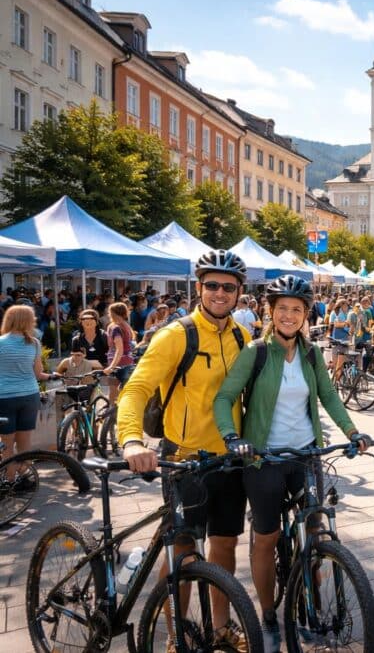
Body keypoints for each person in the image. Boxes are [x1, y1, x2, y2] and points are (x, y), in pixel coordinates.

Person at [212, 275, 374, 650]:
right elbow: (224, 398)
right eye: (282, 308)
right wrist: (232, 437)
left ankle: (308, 605)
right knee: (266, 539)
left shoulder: (312, 354)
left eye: (296, 309)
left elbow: (329, 397)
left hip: (305, 455)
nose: (289, 315)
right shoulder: (255, 352)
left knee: (315, 534)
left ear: (306, 314)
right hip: (264, 459)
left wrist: (352, 431)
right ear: (271, 311)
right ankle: (268, 617)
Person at [116, 250, 251, 648]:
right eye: (212, 285)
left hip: (228, 460)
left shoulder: (243, 337)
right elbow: (136, 389)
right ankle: (177, 636)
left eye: (228, 287)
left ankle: (221, 627)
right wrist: (131, 440)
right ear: (199, 287)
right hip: (184, 460)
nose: (220, 293)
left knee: (225, 546)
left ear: (239, 292)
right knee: (183, 551)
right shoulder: (175, 335)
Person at [0, 305, 53, 483]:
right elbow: (38, 374)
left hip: (4, 397)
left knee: (6, 443)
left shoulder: (0, 343)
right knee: (25, 442)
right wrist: (52, 376)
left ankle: (9, 481)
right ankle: (25, 478)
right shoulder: (34, 343)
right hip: (29, 396)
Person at [103, 302, 135, 404]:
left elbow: (119, 349)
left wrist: (111, 367)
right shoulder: (126, 326)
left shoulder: (115, 327)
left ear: (113, 313)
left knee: (113, 394)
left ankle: (111, 412)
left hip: (118, 364)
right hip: (128, 362)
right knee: (124, 394)